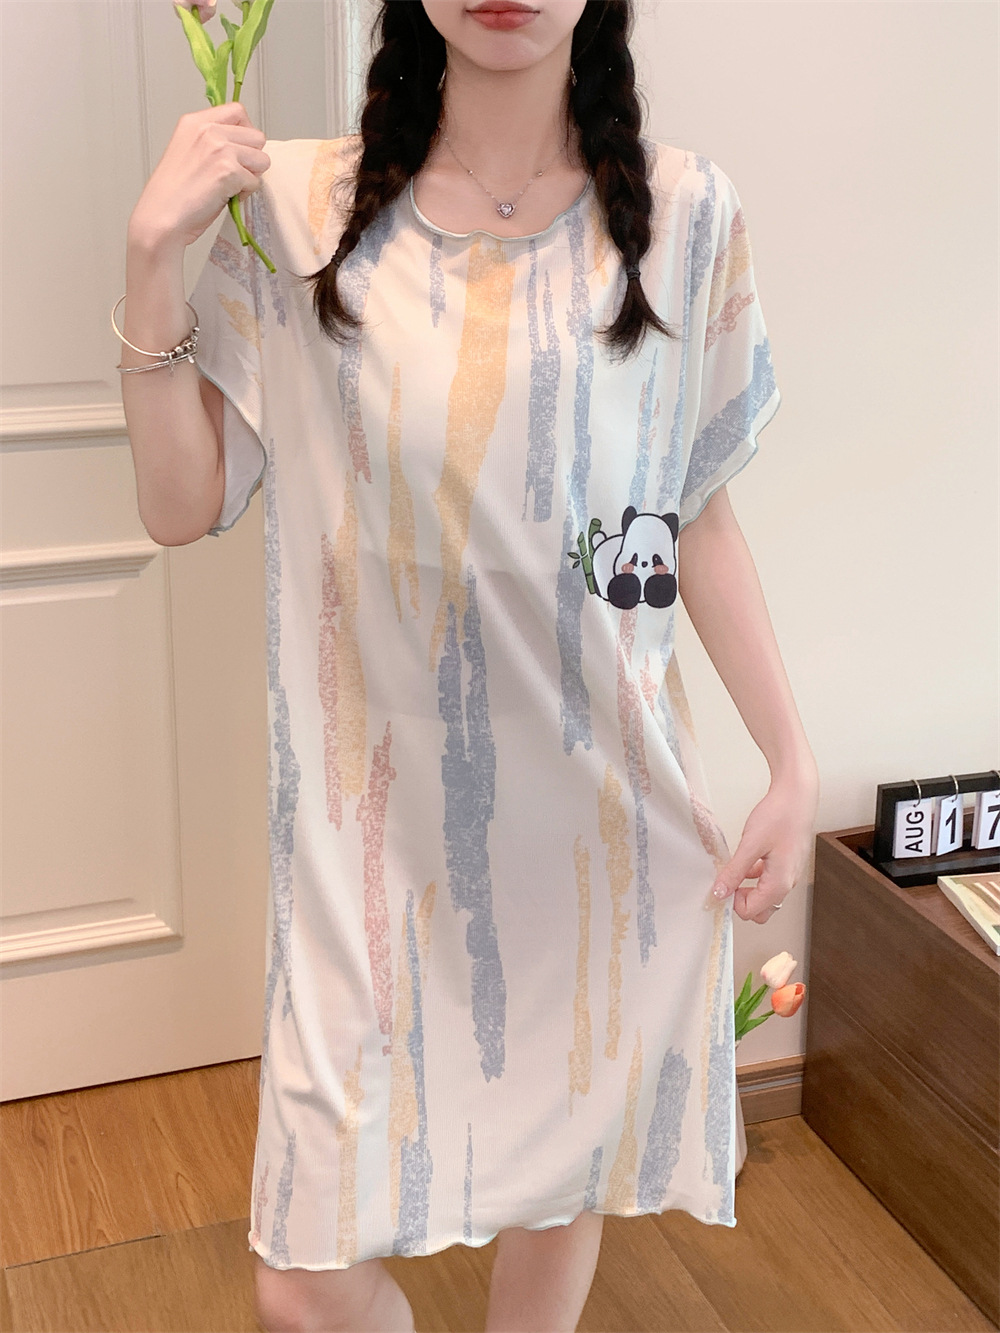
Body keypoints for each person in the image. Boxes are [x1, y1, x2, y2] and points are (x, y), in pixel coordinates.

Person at [117, 0, 820, 1328]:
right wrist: (153, 260)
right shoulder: (297, 207)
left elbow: (696, 512)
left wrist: (790, 757)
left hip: (595, 831)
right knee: (300, 1279)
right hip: (368, 847)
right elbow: (180, 499)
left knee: (562, 1169)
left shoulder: (685, 216)